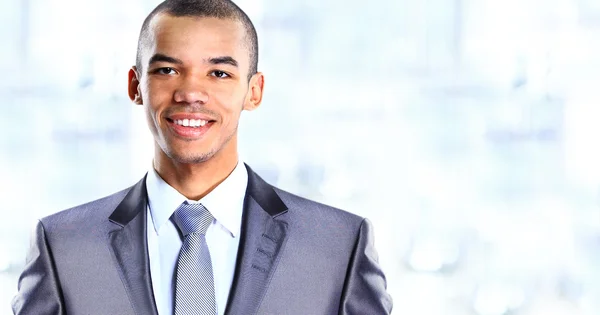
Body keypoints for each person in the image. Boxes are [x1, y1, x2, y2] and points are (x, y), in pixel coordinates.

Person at [12, 0, 393, 314]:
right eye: (167, 69)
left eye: (219, 74)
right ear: (135, 86)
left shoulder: (336, 245)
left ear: (254, 91)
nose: (190, 92)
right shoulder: (65, 245)